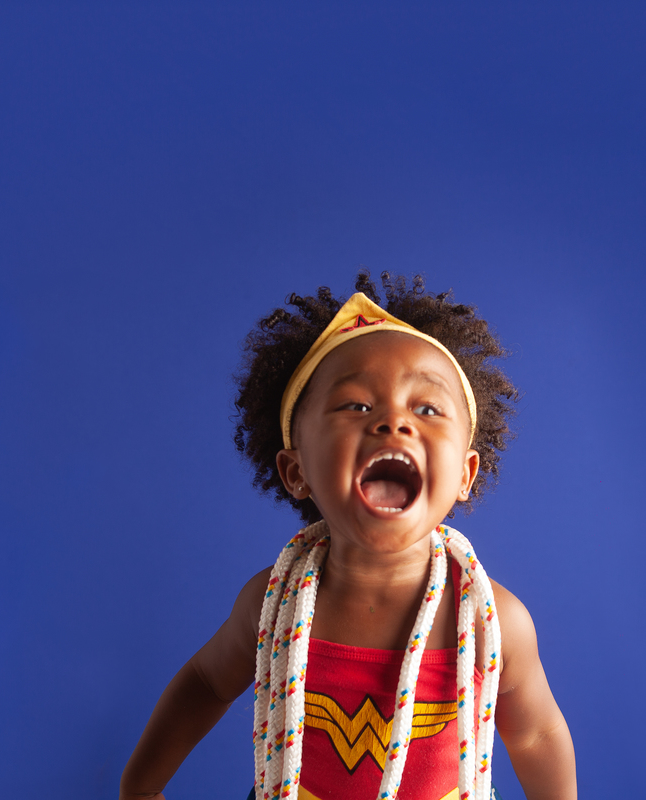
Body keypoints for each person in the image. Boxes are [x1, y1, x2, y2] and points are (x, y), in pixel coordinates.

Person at [121, 271, 577, 800]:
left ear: (465, 475)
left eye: (427, 408)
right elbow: (205, 683)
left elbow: (536, 733)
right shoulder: (272, 603)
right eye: (356, 405)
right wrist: (140, 787)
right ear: (296, 471)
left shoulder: (488, 619)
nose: (393, 422)